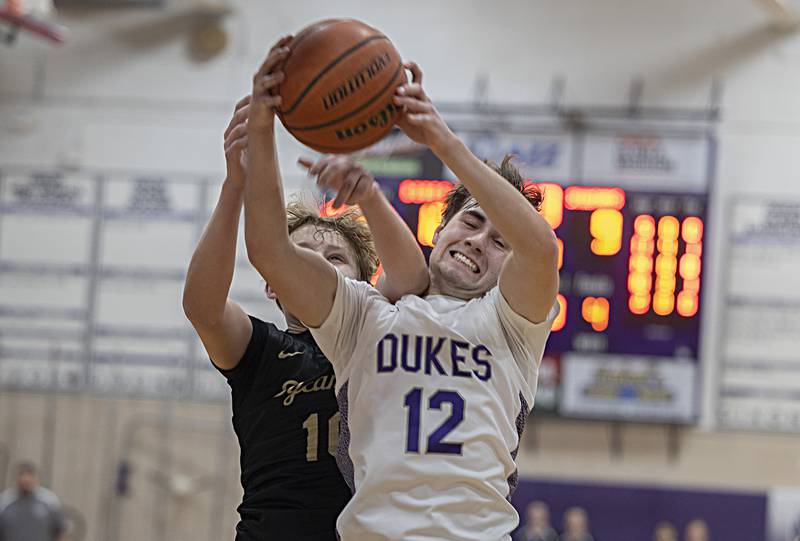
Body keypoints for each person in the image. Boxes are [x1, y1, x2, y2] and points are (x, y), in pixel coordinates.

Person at [244, 36, 559, 541]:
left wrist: (439, 138)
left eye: (499, 241)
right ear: (440, 229)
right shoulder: (362, 315)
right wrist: (262, 127)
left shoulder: (514, 324)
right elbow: (270, 252)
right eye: (471, 222)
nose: (479, 242)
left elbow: (541, 248)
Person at [182, 84, 428, 539]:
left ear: (363, 282)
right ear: (274, 283)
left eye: (333, 258)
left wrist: (370, 198)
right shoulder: (262, 351)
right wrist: (236, 183)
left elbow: (412, 279)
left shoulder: (383, 337)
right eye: (301, 258)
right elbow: (203, 307)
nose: (315, 263)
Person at [0, 462, 66, 541]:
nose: (26, 478)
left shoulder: (49, 501)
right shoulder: (5, 501)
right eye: (21, 474)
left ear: (36, 478)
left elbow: (60, 533)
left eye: (30, 474)